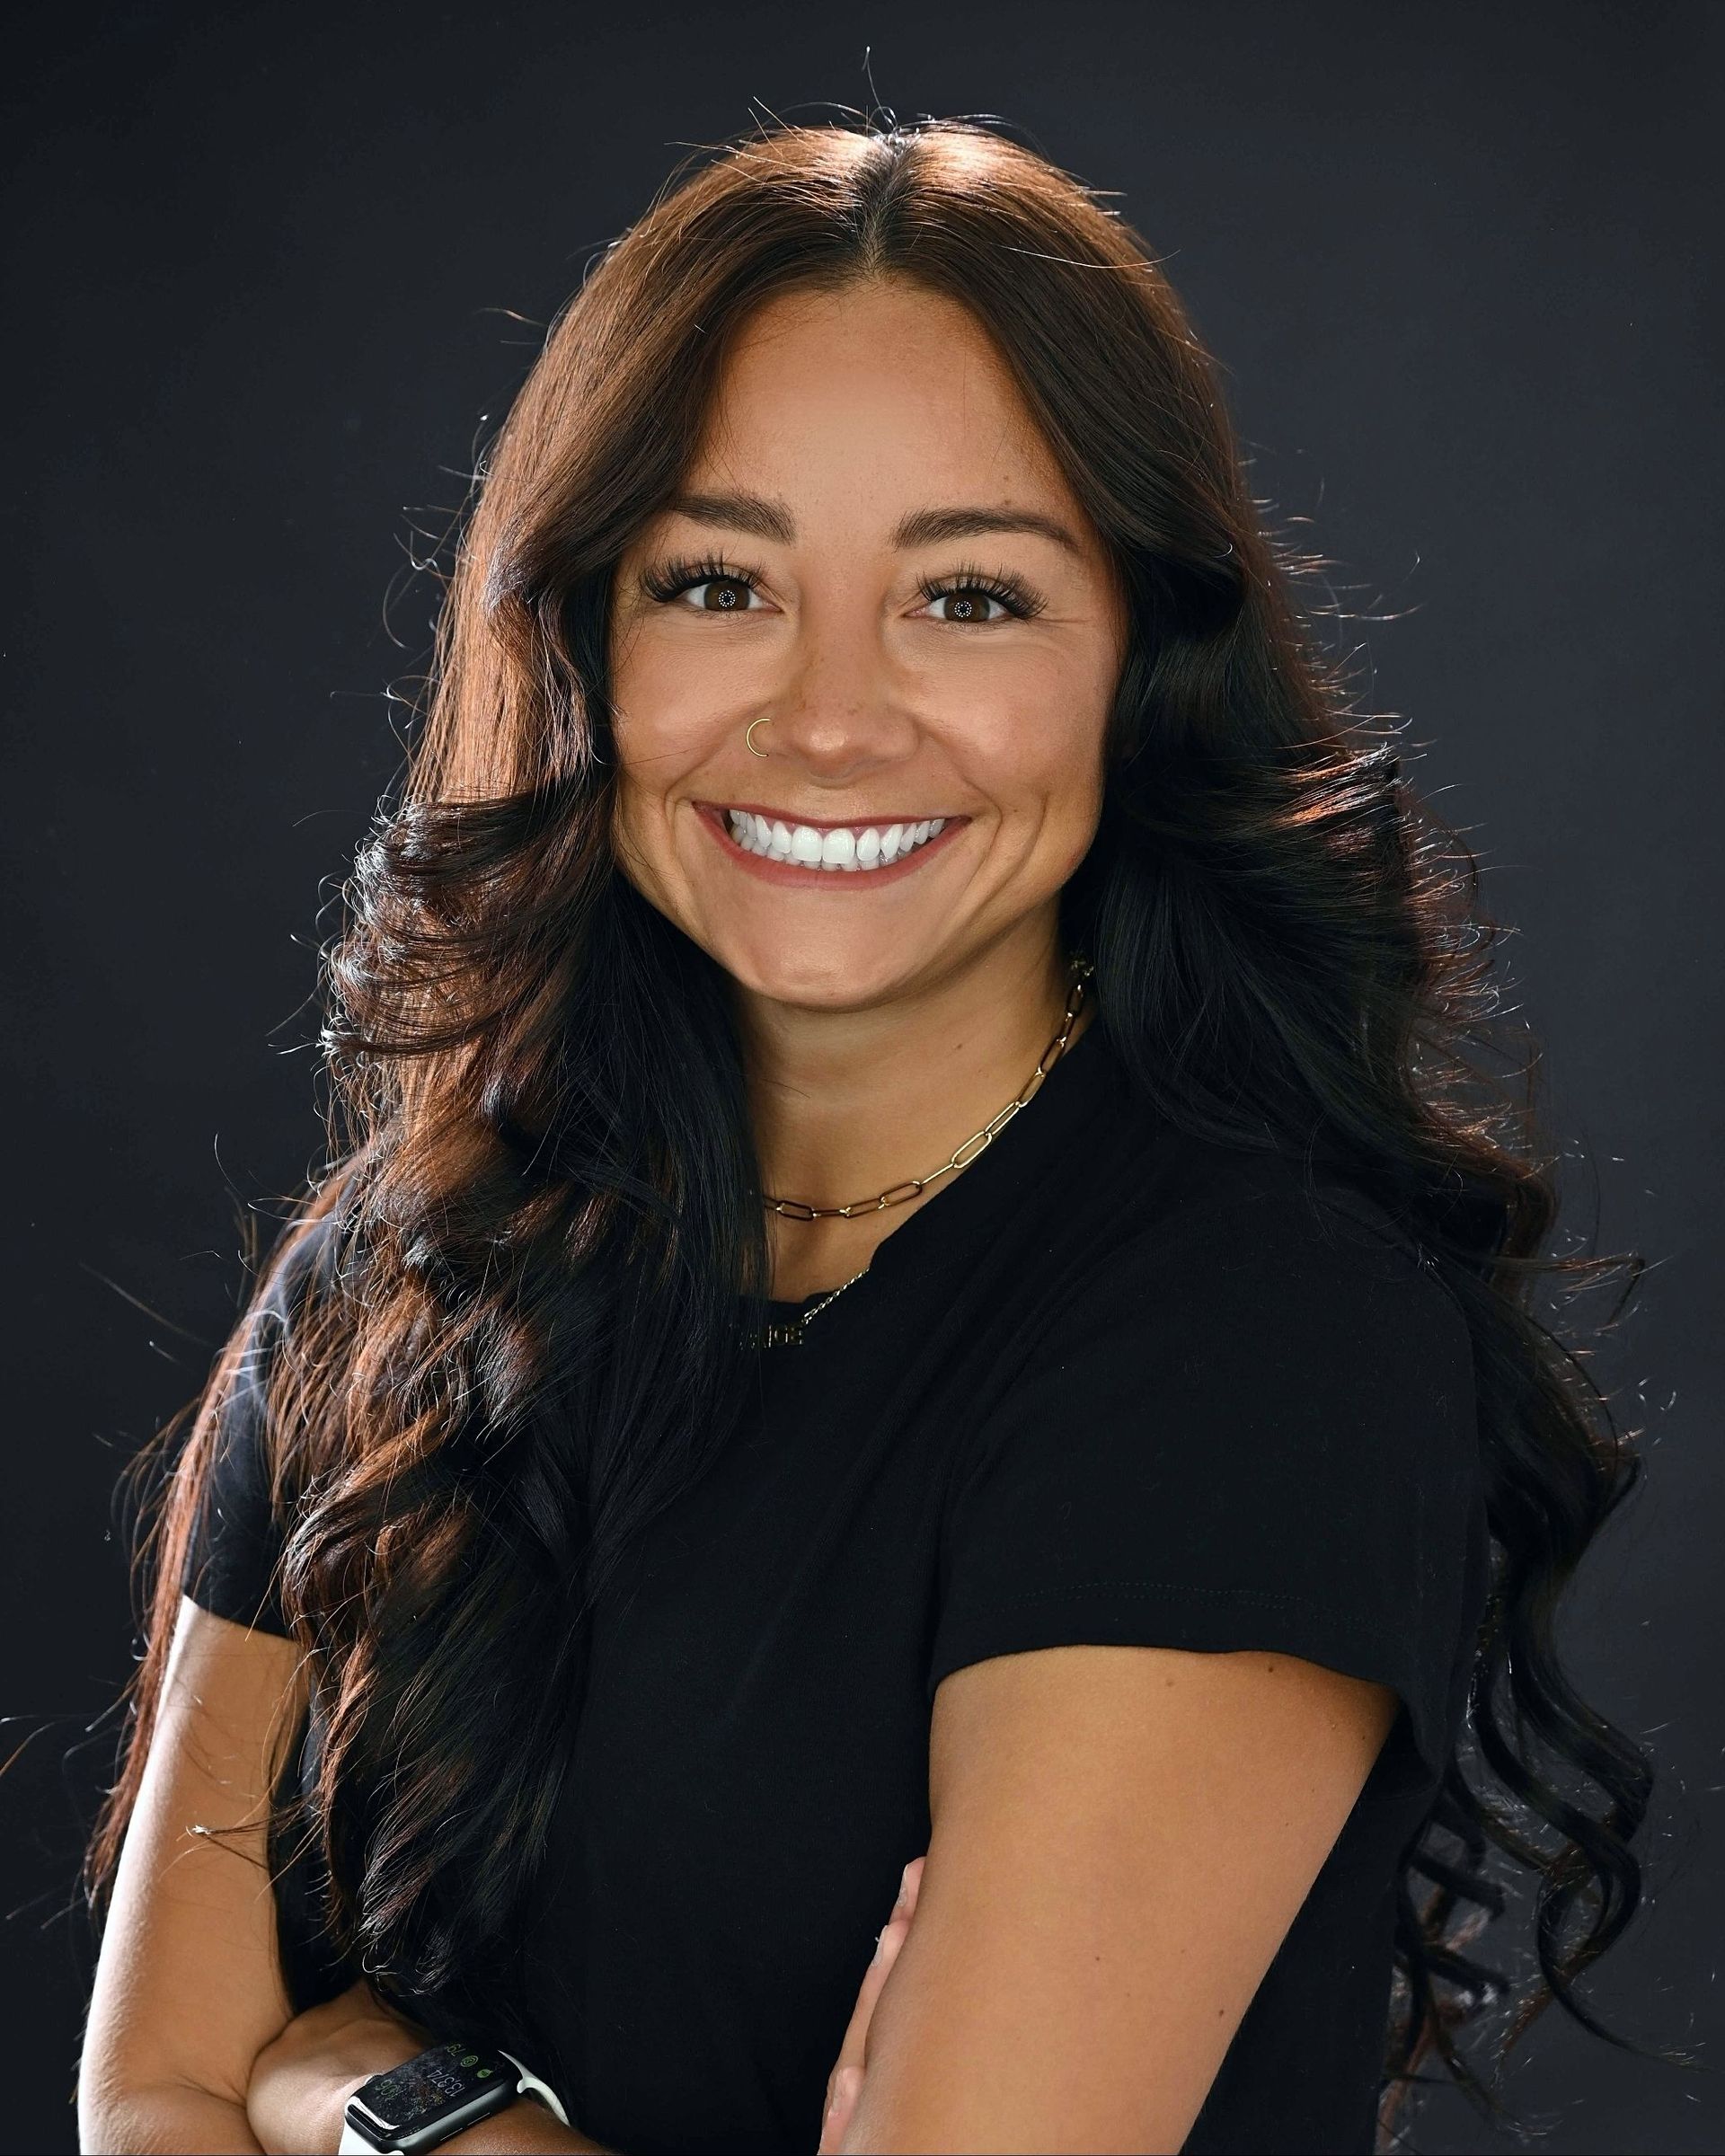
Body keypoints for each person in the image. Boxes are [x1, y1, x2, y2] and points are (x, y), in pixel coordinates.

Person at [79, 117, 1667, 2156]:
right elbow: (153, 2089)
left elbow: (252, 2065)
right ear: (585, 641)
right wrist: (271, 2082)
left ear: (1138, 665)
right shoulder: (395, 1276)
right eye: (720, 581)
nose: (833, 719)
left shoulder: (1258, 1344)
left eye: (972, 598)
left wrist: (380, 2098)